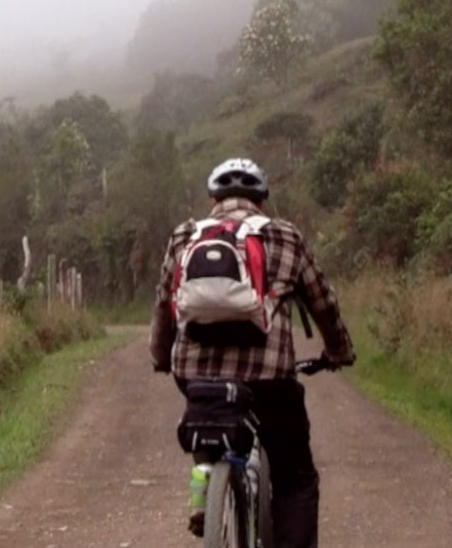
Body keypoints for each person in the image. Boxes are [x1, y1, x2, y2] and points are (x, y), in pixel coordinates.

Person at [150, 157, 355, 548]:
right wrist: (337, 350)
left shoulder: (184, 236)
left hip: (195, 373)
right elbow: (323, 304)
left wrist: (162, 358)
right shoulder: (285, 236)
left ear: (214, 198)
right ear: (261, 199)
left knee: (208, 413)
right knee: (295, 479)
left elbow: (164, 306)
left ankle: (207, 477)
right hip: (269, 378)